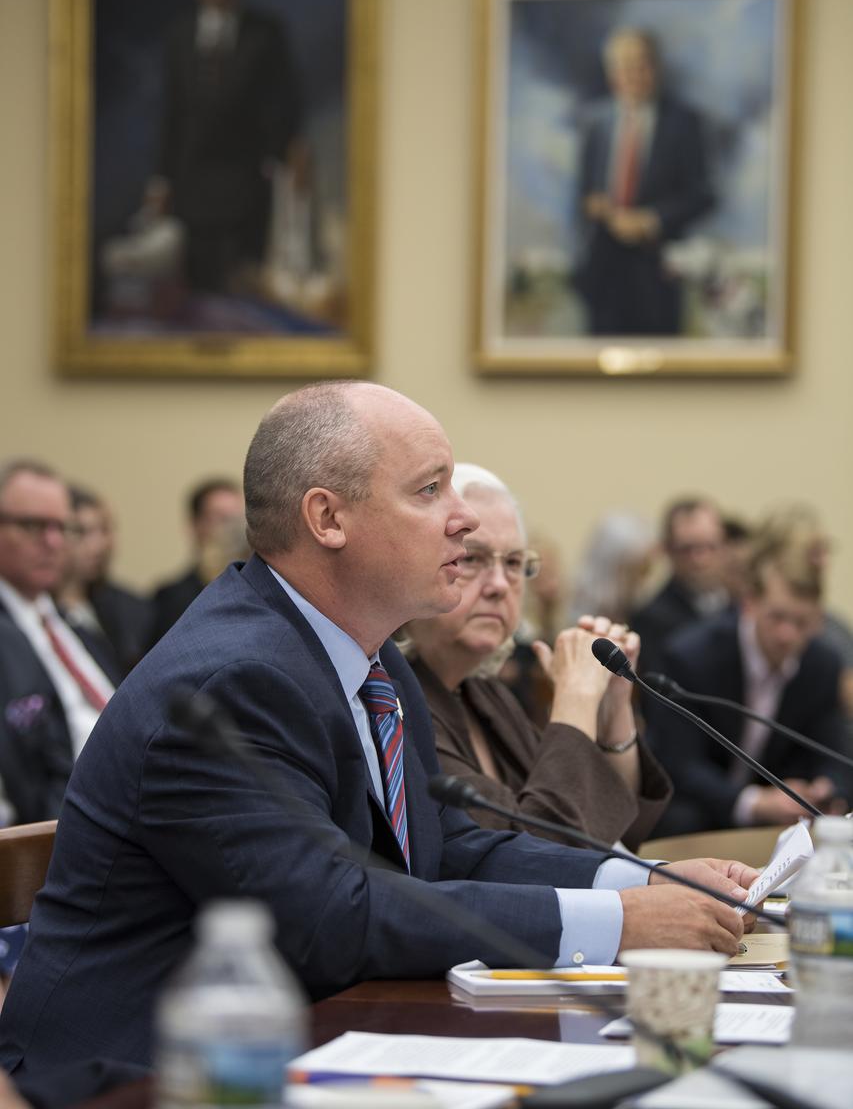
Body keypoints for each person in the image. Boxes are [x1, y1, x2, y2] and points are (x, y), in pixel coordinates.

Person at [0, 384, 756, 1077]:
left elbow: (446, 845)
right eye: (430, 490)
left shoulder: (371, 659)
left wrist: (644, 880)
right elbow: (329, 916)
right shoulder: (230, 681)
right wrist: (619, 923)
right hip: (137, 1077)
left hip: (310, 1038)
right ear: (328, 519)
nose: (462, 516)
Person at [403, 465, 671, 850]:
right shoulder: (394, 705)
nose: (500, 585)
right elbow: (538, 856)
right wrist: (575, 698)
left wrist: (613, 710)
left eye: (514, 563)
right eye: (472, 559)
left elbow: (615, 833)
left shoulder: (485, 694)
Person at [646, 544, 851, 835]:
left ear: (818, 620)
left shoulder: (822, 664)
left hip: (784, 813)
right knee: (683, 818)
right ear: (750, 604)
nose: (787, 634)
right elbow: (678, 762)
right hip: (704, 804)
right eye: (777, 617)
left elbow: (832, 750)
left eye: (801, 622)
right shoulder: (691, 656)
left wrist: (825, 789)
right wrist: (755, 803)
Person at [145, 0, 304, 296]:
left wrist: (276, 157)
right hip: (191, 183)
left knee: (244, 285)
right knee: (198, 288)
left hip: (248, 181)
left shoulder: (267, 34)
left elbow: (286, 102)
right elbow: (172, 112)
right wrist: (161, 179)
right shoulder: (180, 35)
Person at [574, 27, 714, 336]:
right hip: (603, 268)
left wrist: (651, 220)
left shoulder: (683, 122)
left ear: (655, 68)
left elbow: (702, 194)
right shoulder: (596, 122)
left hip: (657, 270)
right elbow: (583, 192)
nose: (632, 75)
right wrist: (594, 205)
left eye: (640, 65)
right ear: (612, 74)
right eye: (623, 67)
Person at [0, 461, 116, 825]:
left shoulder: (72, 623)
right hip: (68, 826)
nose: (52, 542)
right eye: (32, 525)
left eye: (61, 527)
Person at [54, 486, 151, 682]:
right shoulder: (38, 611)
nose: (99, 545)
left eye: (105, 530)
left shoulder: (129, 609)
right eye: (81, 532)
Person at [633, 496, 730, 678]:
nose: (700, 560)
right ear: (667, 550)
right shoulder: (651, 619)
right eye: (687, 549)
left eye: (710, 546)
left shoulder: (742, 604)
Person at [148, 477, 245, 646]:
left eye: (240, 519)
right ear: (195, 525)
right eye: (222, 519)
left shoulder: (260, 587)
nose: (234, 529)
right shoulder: (172, 599)